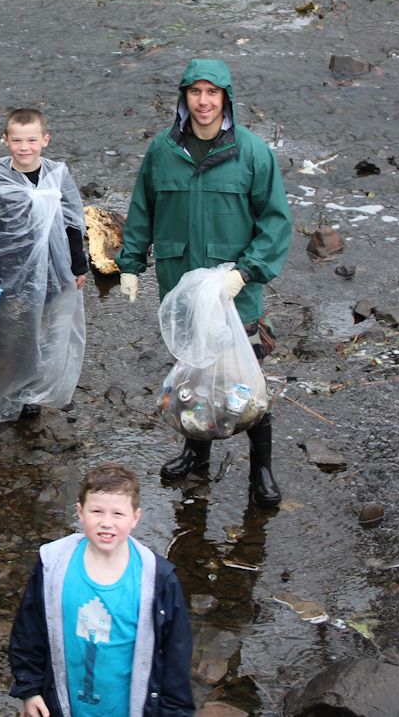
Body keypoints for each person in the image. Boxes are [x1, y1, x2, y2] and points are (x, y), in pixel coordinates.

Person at [115, 58, 292, 507]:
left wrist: (245, 273)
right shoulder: (162, 150)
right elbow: (142, 210)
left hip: (236, 293)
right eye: (196, 92)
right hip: (182, 289)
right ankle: (195, 455)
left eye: (213, 93)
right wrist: (131, 264)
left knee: (247, 384)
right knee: (192, 378)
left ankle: (262, 471)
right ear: (184, 97)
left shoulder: (253, 153)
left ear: (226, 99)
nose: (204, 101)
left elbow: (275, 223)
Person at [9, 462, 195, 717]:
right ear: (80, 512)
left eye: (118, 514)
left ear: (135, 518)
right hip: (65, 706)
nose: (106, 523)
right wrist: (29, 689)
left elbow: (176, 656)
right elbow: (30, 631)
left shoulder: (158, 580)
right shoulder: (53, 566)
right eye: (96, 511)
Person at [0, 108, 87, 428]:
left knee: (42, 333)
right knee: (7, 335)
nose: (24, 147)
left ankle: (29, 393)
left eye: (32, 140)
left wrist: (78, 264)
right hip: (8, 273)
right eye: (17, 140)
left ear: (45, 140)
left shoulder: (57, 175)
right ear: (5, 141)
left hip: (51, 270)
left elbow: (74, 222)